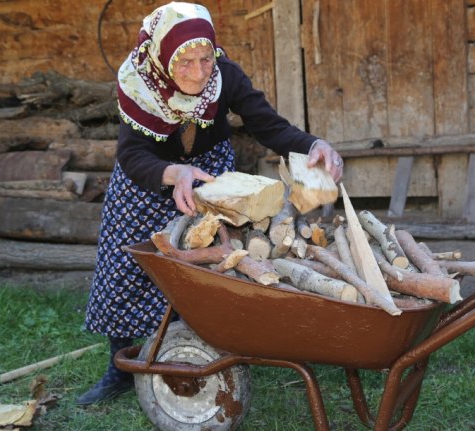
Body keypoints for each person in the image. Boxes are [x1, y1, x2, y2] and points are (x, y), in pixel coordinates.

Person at [76, 1, 344, 405]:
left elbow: (267, 125)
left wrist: (312, 145)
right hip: (147, 179)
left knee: (205, 269)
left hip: (209, 177)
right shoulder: (139, 82)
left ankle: (199, 349)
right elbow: (131, 155)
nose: (200, 72)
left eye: (205, 59)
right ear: (164, 58)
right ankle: (121, 367)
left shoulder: (224, 75)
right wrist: (172, 173)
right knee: (126, 268)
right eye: (185, 63)